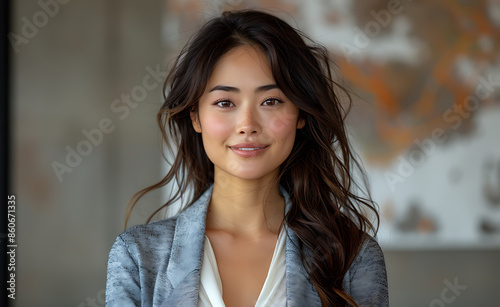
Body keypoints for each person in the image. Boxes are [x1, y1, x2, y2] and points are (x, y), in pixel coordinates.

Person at [106, 9, 388, 307]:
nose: (247, 124)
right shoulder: (137, 256)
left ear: (300, 114)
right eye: (225, 102)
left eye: (271, 101)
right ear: (196, 117)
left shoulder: (352, 257)